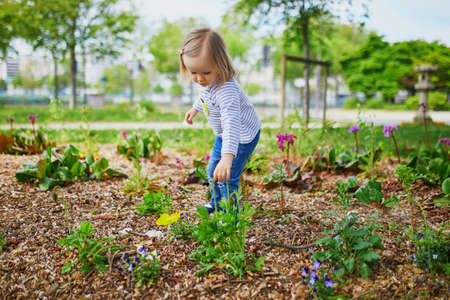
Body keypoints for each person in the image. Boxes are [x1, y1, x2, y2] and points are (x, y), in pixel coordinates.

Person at [179, 28, 261, 213]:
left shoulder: (227, 91)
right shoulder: (207, 81)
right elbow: (205, 96)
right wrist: (195, 108)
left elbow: (232, 123)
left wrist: (227, 157)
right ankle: (216, 203)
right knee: (212, 171)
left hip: (242, 135)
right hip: (225, 135)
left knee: (228, 176)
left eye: (205, 72)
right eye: (193, 72)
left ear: (220, 64)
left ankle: (231, 216)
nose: (199, 78)